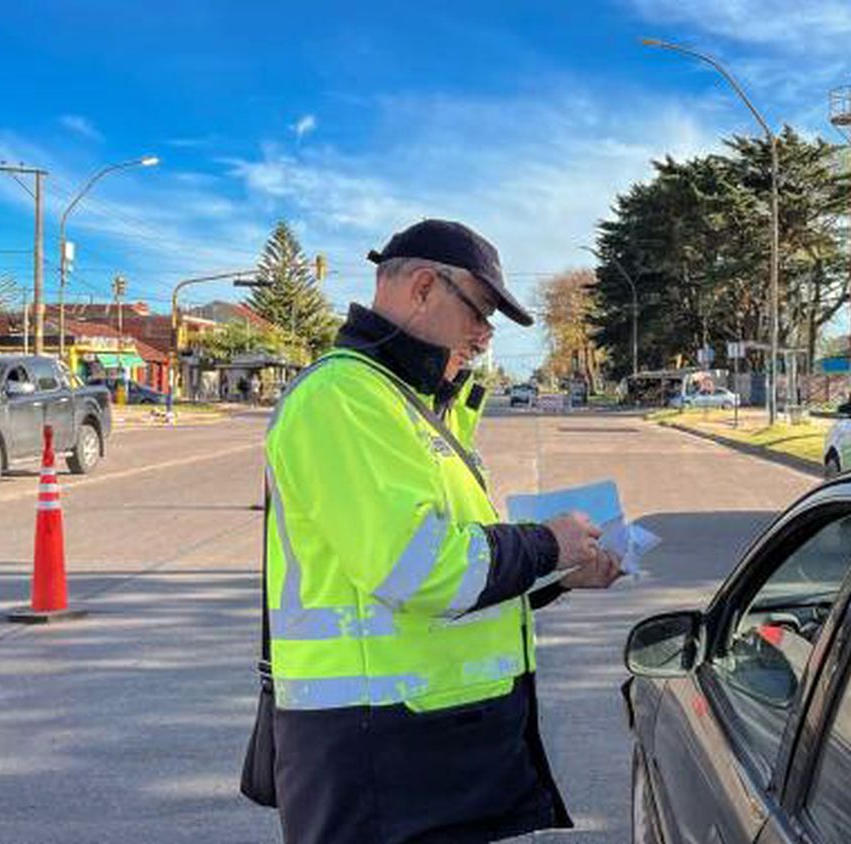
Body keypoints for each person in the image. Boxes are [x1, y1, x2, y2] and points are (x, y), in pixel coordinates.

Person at [264, 219, 622, 843]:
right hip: (376, 757)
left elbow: (458, 573)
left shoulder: (409, 404)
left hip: (425, 748)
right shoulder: (346, 397)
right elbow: (420, 569)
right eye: (480, 312)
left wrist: (558, 573)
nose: (485, 337)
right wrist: (546, 543)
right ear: (424, 287)